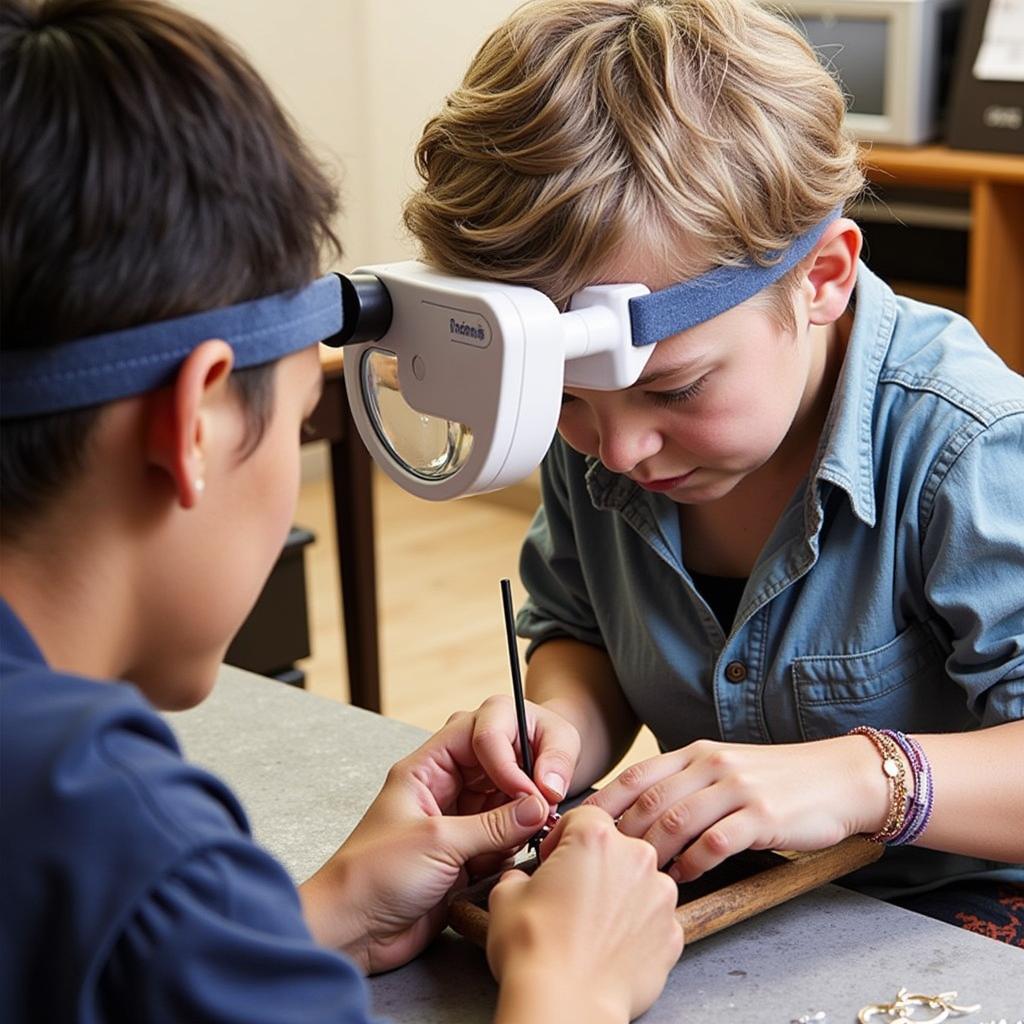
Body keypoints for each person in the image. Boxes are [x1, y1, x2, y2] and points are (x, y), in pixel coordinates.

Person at [0, 2, 684, 1021]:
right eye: (302, 407)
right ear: (196, 421)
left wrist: (302, 919)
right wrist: (568, 987)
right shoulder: (100, 820)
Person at [402, 0, 1024, 943]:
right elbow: (583, 632)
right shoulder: (607, 432)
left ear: (820, 277)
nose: (618, 451)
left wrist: (864, 776)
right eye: (564, 400)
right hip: (752, 911)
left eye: (678, 390)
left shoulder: (967, 446)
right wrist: (558, 728)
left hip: (956, 914)